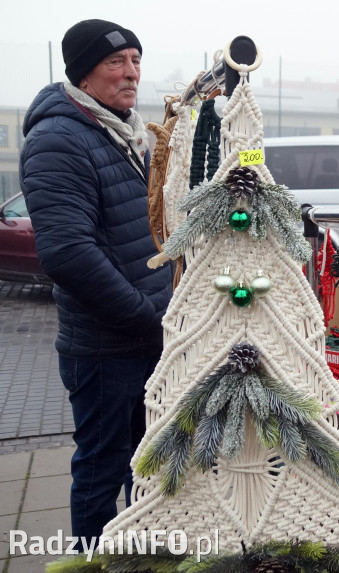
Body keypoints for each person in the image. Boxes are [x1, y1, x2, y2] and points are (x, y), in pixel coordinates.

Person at [20, 19, 171, 544]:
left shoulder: (124, 132)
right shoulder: (58, 140)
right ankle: (93, 561)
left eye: (136, 60)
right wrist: (147, 316)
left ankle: (140, 553)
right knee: (101, 472)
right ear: (84, 74)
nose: (131, 73)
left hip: (146, 340)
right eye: (115, 62)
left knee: (146, 465)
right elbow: (67, 253)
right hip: (107, 348)